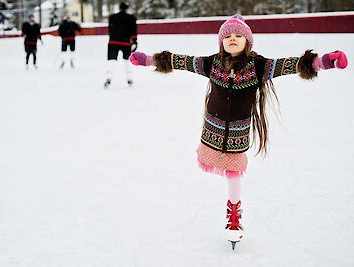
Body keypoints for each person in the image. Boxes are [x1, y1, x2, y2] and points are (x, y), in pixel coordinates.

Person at [129, 14, 348, 250]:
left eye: (238, 36)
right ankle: (233, 213)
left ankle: (234, 216)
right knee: (222, 166)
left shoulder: (259, 66)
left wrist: (323, 62)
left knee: (234, 173)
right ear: (221, 41)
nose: (232, 39)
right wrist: (149, 60)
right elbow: (181, 61)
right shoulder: (211, 63)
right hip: (212, 131)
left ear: (248, 42)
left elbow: (290, 65)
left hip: (237, 134)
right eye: (228, 36)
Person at [104, 2, 138, 88]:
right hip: (125, 43)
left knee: (111, 60)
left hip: (113, 42)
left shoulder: (112, 17)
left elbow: (110, 30)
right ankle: (129, 78)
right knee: (127, 60)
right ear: (127, 8)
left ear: (119, 8)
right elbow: (134, 31)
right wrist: (134, 41)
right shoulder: (131, 18)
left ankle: (109, 77)